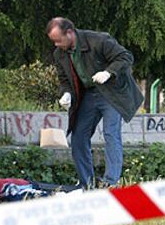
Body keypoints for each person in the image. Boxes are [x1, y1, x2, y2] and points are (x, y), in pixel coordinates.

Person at [46, 17, 144, 189]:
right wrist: (66, 93)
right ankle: (87, 184)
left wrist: (108, 72)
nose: (56, 45)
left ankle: (110, 183)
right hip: (89, 95)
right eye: (53, 41)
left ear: (70, 33)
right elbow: (64, 80)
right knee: (78, 137)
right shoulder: (60, 54)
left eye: (58, 40)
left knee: (111, 134)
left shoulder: (99, 40)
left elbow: (125, 57)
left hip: (112, 92)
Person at [0, 177, 81, 202]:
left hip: (28, 183)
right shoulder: (4, 191)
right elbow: (25, 194)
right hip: (32, 187)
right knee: (69, 192)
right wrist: (48, 195)